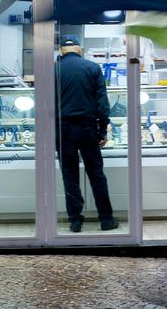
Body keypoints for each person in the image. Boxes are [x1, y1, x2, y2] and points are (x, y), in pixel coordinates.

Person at [55, 36, 118, 233]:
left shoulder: (52, 69)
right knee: (96, 173)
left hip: (62, 128)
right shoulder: (92, 68)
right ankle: (106, 219)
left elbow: (46, 102)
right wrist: (102, 128)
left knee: (69, 174)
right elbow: (102, 101)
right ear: (79, 49)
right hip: (87, 127)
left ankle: (75, 220)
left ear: (61, 51)